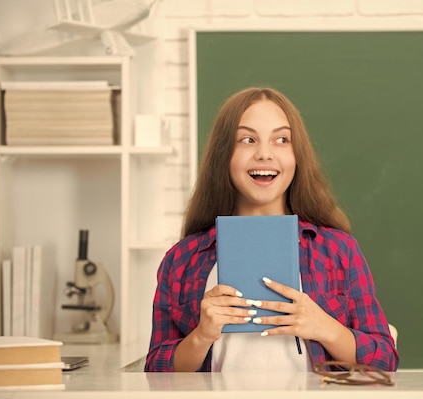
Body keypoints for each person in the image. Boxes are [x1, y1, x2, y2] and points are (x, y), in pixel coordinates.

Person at [145, 87, 399, 372]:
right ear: (223, 156)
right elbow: (155, 372)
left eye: (281, 139)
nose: (264, 154)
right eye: (247, 139)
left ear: (297, 156)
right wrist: (201, 336)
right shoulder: (182, 260)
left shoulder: (338, 249)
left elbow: (385, 360)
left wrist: (324, 327)